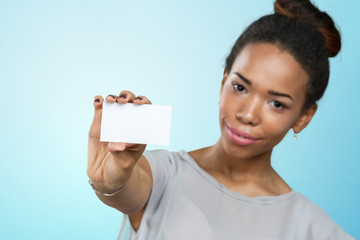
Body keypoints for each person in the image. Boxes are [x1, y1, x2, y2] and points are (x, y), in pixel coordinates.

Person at [87, 0, 354, 239]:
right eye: (240, 87)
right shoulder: (163, 174)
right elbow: (129, 187)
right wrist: (110, 182)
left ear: (304, 117)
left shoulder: (311, 228)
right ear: (224, 81)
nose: (247, 114)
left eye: (276, 104)